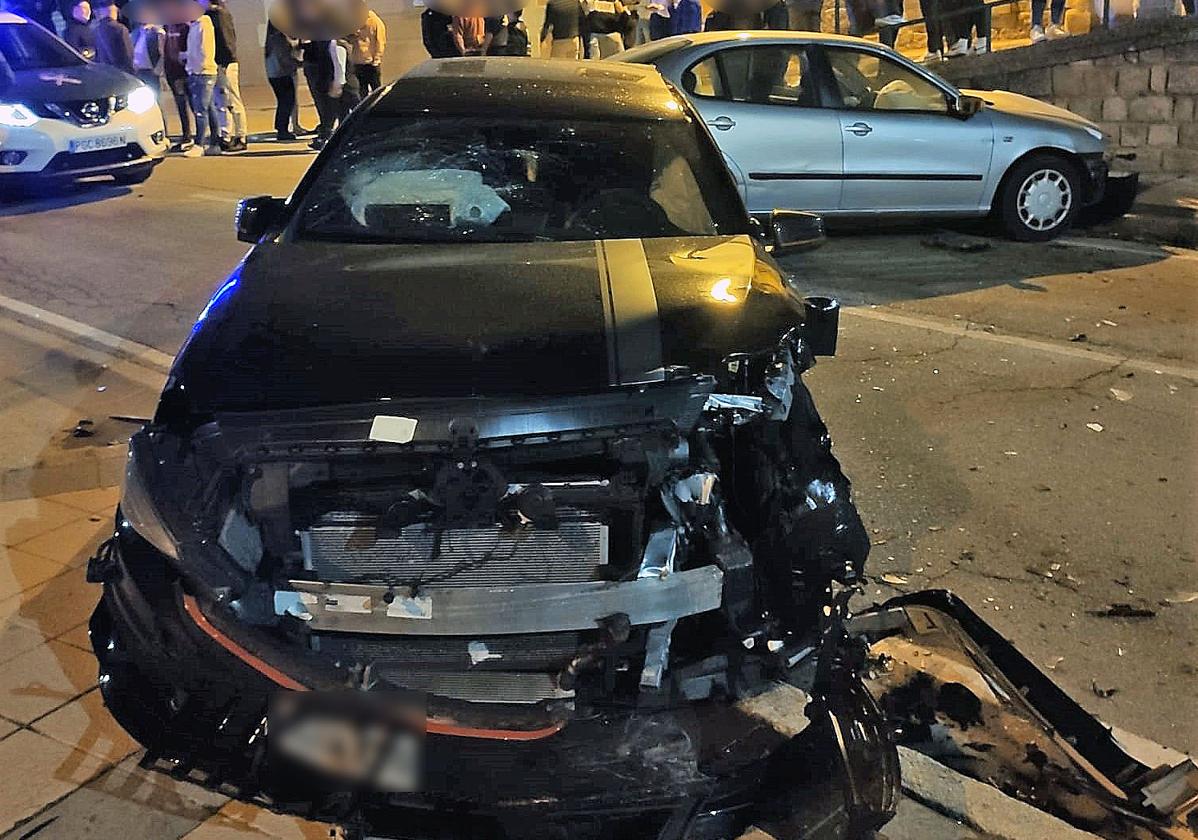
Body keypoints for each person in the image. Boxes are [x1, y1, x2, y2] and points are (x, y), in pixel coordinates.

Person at [206, 0, 247, 151]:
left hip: (225, 63)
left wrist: (226, 62)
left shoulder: (218, 14)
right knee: (221, 101)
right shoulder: (213, 14)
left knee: (232, 99)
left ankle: (241, 136)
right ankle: (227, 135)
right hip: (220, 62)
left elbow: (226, 39)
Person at [183, 3, 220, 156]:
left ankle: (199, 144)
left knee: (200, 110)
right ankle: (215, 143)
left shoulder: (203, 24)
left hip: (203, 72)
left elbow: (204, 50)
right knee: (209, 108)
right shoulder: (194, 26)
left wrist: (196, 66)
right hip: (197, 71)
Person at [265, 21, 300, 141]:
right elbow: (284, 59)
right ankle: (282, 129)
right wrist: (300, 63)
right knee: (287, 102)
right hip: (282, 74)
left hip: (274, 74)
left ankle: (281, 127)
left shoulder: (271, 40)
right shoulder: (279, 39)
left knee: (283, 102)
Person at [302, 38, 337, 149]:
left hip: (322, 70)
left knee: (326, 105)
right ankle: (325, 131)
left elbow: (324, 56)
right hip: (320, 69)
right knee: (325, 105)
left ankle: (326, 134)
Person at [163, 21, 192, 148]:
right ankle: (186, 135)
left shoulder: (185, 27)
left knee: (196, 105)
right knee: (181, 105)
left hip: (184, 72)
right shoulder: (167, 27)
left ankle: (203, 138)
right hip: (172, 72)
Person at [131, 17, 165, 115]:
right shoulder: (136, 32)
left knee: (155, 103)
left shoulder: (157, 32)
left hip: (151, 72)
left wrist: (158, 70)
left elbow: (163, 53)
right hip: (138, 72)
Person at [348, 8, 385, 93]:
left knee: (376, 90)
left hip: (371, 62)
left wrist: (376, 59)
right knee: (362, 90)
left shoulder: (374, 20)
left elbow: (380, 40)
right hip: (357, 62)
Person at [92, 0, 134, 73]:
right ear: (112, 11)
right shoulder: (119, 29)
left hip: (106, 74)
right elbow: (128, 55)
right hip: (122, 74)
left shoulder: (96, 30)